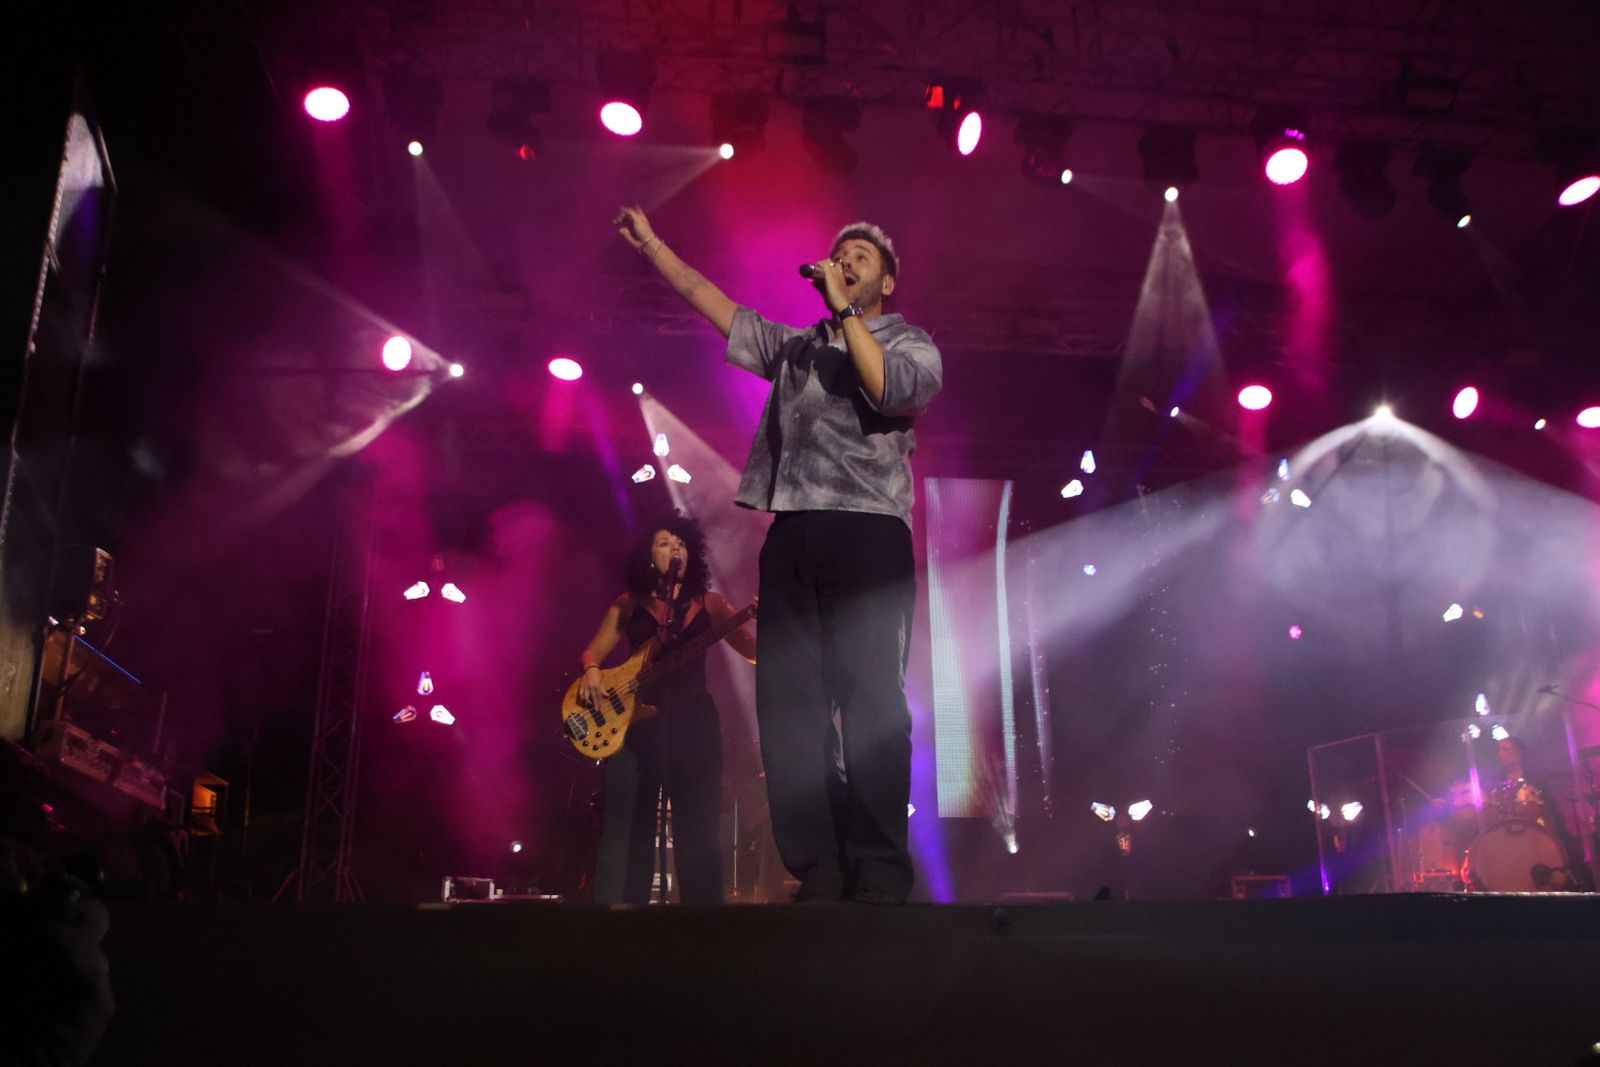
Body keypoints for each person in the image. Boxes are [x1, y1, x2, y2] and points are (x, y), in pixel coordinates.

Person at [613, 205, 943, 903]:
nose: (846, 261)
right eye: (840, 253)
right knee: (790, 709)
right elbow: (714, 304)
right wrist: (654, 247)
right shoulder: (797, 348)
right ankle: (819, 866)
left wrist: (844, 312)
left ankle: (879, 868)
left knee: (871, 702)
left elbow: (886, 389)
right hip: (792, 531)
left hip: (869, 533)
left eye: (861, 255)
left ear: (887, 281)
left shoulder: (911, 345)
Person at [578, 514, 756, 904]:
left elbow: (753, 652)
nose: (675, 549)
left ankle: (702, 915)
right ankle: (620, 910)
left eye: (681, 543)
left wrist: (774, 623)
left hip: (694, 724)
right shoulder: (628, 604)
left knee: (699, 820)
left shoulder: (711, 604)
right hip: (634, 724)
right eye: (664, 543)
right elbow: (593, 652)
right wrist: (591, 670)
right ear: (648, 556)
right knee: (627, 822)